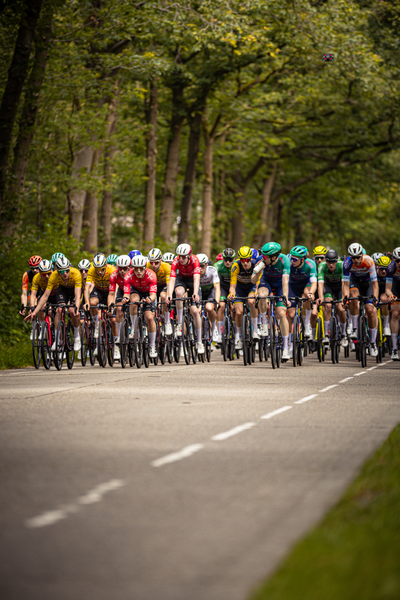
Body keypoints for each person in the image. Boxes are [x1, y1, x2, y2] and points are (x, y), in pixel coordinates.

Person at [26, 256, 82, 352]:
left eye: (66, 271)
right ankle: (58, 339)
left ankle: (76, 336)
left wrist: (76, 307)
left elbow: (77, 295)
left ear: (69, 268)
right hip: (63, 290)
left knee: (73, 311)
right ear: (57, 270)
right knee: (59, 310)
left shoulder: (76, 273)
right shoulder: (53, 276)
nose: (65, 274)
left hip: (73, 290)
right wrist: (35, 311)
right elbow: (45, 296)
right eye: (61, 271)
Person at [252, 242, 291, 359]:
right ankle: (264, 323)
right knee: (262, 295)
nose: (263, 258)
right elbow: (253, 281)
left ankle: (285, 348)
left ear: (274, 257)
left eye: (265, 257)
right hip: (266, 281)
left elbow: (285, 281)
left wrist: (285, 297)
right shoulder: (261, 260)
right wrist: (257, 272)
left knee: (282, 313)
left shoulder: (284, 260)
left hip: (280, 284)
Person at [342, 242, 379, 357]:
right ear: (350, 257)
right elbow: (346, 284)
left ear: (362, 255)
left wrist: (375, 299)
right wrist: (345, 297)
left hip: (368, 283)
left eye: (358, 257)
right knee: (353, 297)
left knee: (370, 310)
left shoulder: (368, 261)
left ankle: (372, 343)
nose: (356, 260)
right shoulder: (347, 263)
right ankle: (354, 328)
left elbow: (375, 284)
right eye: (353, 257)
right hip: (355, 282)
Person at [166, 244, 204, 354]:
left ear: (189, 256)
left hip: (192, 281)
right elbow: (172, 280)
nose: (181, 259)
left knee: (195, 312)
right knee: (178, 293)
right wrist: (169, 294)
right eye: (180, 256)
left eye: (184, 257)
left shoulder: (195, 260)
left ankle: (199, 342)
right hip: (181, 279)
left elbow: (197, 279)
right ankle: (179, 324)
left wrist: (196, 293)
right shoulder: (175, 261)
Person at [124, 254, 158, 358]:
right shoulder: (128, 276)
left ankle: (152, 346)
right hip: (136, 291)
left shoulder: (151, 275)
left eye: (141, 269)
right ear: (132, 268)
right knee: (133, 301)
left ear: (145, 268)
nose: (138, 271)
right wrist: (125, 298)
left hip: (148, 293)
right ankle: (134, 329)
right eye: (136, 269)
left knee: (149, 318)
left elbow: (153, 295)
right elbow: (126, 293)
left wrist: (149, 299)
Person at [228, 245, 261, 350]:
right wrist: (232, 294)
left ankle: (255, 330)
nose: (245, 262)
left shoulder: (256, 265)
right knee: (238, 312)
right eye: (243, 260)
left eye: (247, 260)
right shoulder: (235, 265)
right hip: (240, 288)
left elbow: (258, 283)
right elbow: (232, 286)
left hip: (251, 286)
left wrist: (256, 292)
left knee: (252, 302)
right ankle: (238, 337)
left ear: (251, 258)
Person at [316, 249, 347, 346]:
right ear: (326, 261)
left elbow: (344, 283)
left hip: (339, 287)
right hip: (328, 286)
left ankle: (343, 334)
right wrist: (321, 297)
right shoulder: (322, 266)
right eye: (329, 261)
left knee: (341, 309)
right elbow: (320, 284)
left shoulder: (342, 265)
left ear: (337, 261)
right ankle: (326, 335)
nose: (331, 264)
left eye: (333, 262)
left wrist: (343, 297)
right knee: (328, 305)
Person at [147, 248, 172, 334]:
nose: (153, 265)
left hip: (163, 286)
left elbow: (169, 284)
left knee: (164, 296)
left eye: (156, 262)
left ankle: (167, 322)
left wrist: (168, 296)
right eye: (151, 262)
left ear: (161, 260)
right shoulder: (147, 266)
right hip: (152, 287)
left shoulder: (166, 267)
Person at [213, 248, 236, 343]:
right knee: (221, 306)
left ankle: (235, 328)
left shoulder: (236, 266)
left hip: (234, 287)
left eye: (230, 260)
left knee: (233, 306)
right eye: (225, 259)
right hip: (222, 287)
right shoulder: (217, 266)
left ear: (233, 259)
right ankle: (219, 333)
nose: (227, 262)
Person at [197, 253, 220, 340]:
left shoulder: (212, 270)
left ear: (206, 265)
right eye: (197, 266)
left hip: (210, 291)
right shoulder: (194, 272)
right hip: (199, 291)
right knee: (197, 311)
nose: (199, 268)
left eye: (202, 266)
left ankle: (214, 328)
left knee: (209, 308)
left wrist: (216, 302)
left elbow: (217, 287)